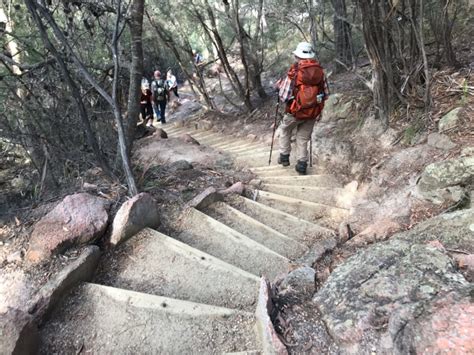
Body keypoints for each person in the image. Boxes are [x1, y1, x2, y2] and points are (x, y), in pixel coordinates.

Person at [277, 42, 329, 175]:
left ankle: (284, 157)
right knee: (303, 138)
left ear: (298, 56)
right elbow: (326, 93)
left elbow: (284, 96)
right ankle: (302, 164)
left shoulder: (294, 72)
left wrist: (279, 87)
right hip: (312, 111)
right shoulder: (320, 71)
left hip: (295, 111)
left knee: (285, 129)